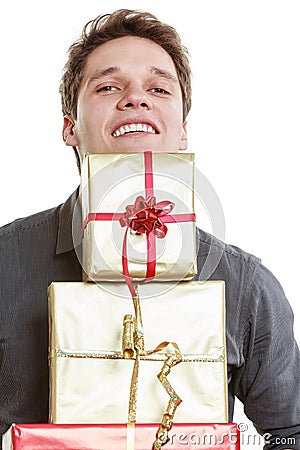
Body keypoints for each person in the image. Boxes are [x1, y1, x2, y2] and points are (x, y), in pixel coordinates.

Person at [0, 8, 299, 450]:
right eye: (107, 86)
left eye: (158, 88)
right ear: (69, 128)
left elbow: (290, 435)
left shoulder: (246, 285)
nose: (136, 99)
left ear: (181, 131)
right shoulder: (6, 261)